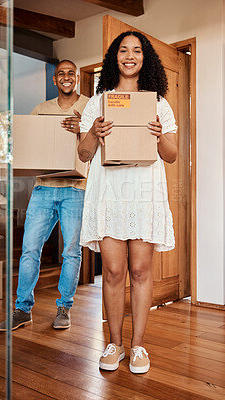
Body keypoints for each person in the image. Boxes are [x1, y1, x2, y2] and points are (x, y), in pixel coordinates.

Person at [78, 31, 178, 374]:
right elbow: (83, 152)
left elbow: (172, 155)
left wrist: (158, 134)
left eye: (137, 50)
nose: (130, 56)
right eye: (124, 50)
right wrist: (93, 131)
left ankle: (138, 346)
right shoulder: (99, 101)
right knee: (113, 270)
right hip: (109, 192)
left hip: (143, 191)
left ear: (145, 57)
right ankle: (114, 344)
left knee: (140, 270)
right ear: (114, 57)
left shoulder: (159, 103)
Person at [0, 60, 89, 331]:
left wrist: (82, 128)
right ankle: (22, 309)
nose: (66, 77)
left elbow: (99, 145)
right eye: (61, 73)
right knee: (29, 250)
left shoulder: (89, 107)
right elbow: (28, 144)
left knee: (72, 251)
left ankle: (64, 308)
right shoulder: (40, 110)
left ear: (77, 78)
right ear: (54, 80)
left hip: (76, 188)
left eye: (71, 73)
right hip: (44, 187)